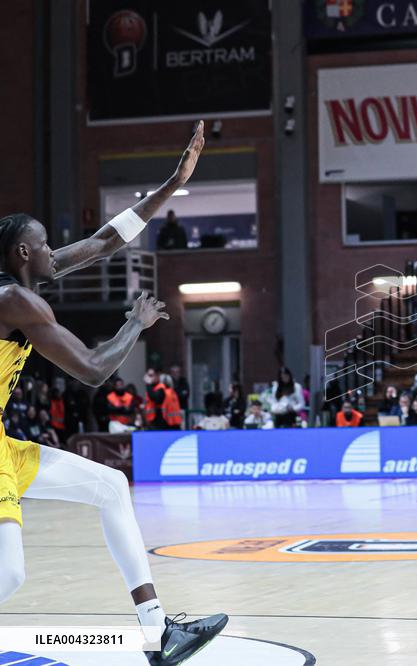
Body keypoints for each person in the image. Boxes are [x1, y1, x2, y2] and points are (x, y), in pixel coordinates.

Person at [0, 122, 227, 665]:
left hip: (3, 445)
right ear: (24, 252)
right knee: (9, 572)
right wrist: (135, 324)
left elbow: (105, 241)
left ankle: (158, 634)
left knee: (108, 486)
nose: (56, 251)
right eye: (48, 245)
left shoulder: (20, 288)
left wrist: (173, 183)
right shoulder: (15, 301)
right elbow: (94, 370)